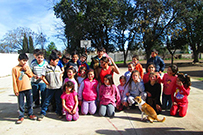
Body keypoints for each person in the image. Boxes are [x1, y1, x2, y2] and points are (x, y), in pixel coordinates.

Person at [12, 53, 37, 124]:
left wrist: (26, 70)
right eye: (23, 60)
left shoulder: (27, 67)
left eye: (25, 61)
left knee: (30, 102)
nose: (24, 62)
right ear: (19, 60)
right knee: (21, 103)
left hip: (28, 87)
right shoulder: (15, 69)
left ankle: (30, 114)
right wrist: (16, 90)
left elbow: (31, 75)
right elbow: (14, 80)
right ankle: (21, 115)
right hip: (20, 89)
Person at [38, 53, 63, 120]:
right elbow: (43, 77)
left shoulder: (58, 67)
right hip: (50, 88)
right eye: (56, 61)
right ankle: (42, 113)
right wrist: (47, 83)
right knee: (46, 101)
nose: (57, 63)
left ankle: (58, 113)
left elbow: (60, 75)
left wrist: (60, 82)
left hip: (58, 87)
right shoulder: (46, 67)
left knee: (58, 101)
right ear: (52, 60)